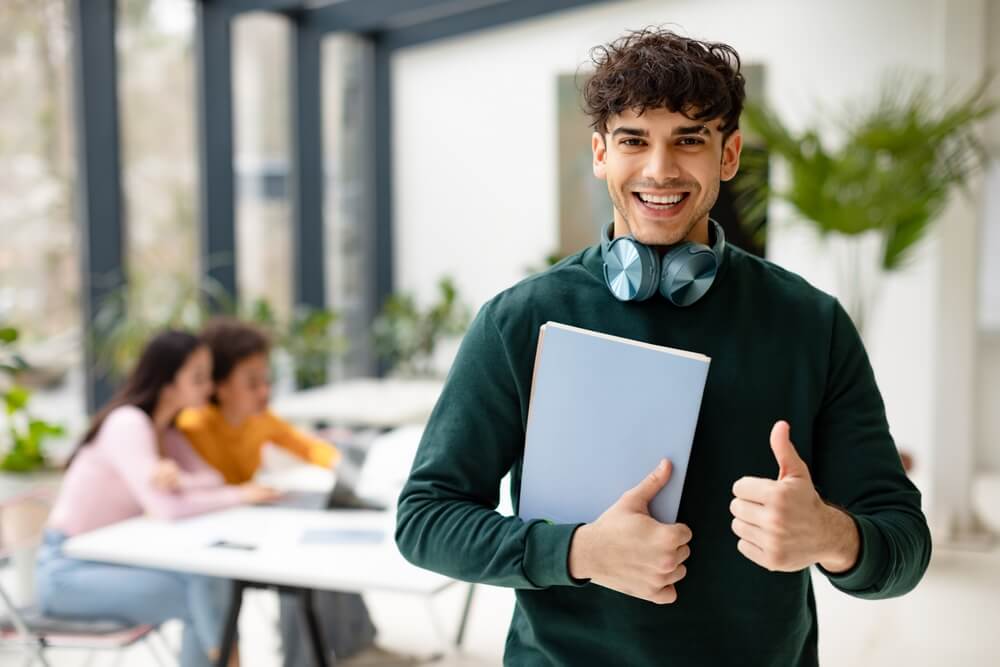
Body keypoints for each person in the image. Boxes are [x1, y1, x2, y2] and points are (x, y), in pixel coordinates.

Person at [395, 27, 932, 666]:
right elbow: (424, 521)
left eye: (689, 140)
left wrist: (833, 537)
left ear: (728, 154)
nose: (659, 169)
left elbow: (904, 545)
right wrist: (578, 551)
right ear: (600, 153)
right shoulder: (521, 320)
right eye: (632, 140)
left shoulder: (811, 323)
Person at [37, 330, 277, 667]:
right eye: (198, 378)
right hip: (68, 573)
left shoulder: (167, 433)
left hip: (112, 561)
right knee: (203, 592)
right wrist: (238, 495)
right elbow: (166, 508)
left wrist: (181, 478)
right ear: (167, 382)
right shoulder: (128, 424)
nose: (208, 388)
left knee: (209, 579)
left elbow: (213, 479)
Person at [177, 318, 389, 666]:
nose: (265, 391)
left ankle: (352, 647)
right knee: (298, 567)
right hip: (209, 535)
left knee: (326, 544)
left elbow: (308, 446)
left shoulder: (260, 420)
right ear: (219, 385)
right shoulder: (192, 426)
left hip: (245, 518)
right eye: (252, 382)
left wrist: (340, 463)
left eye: (266, 380)